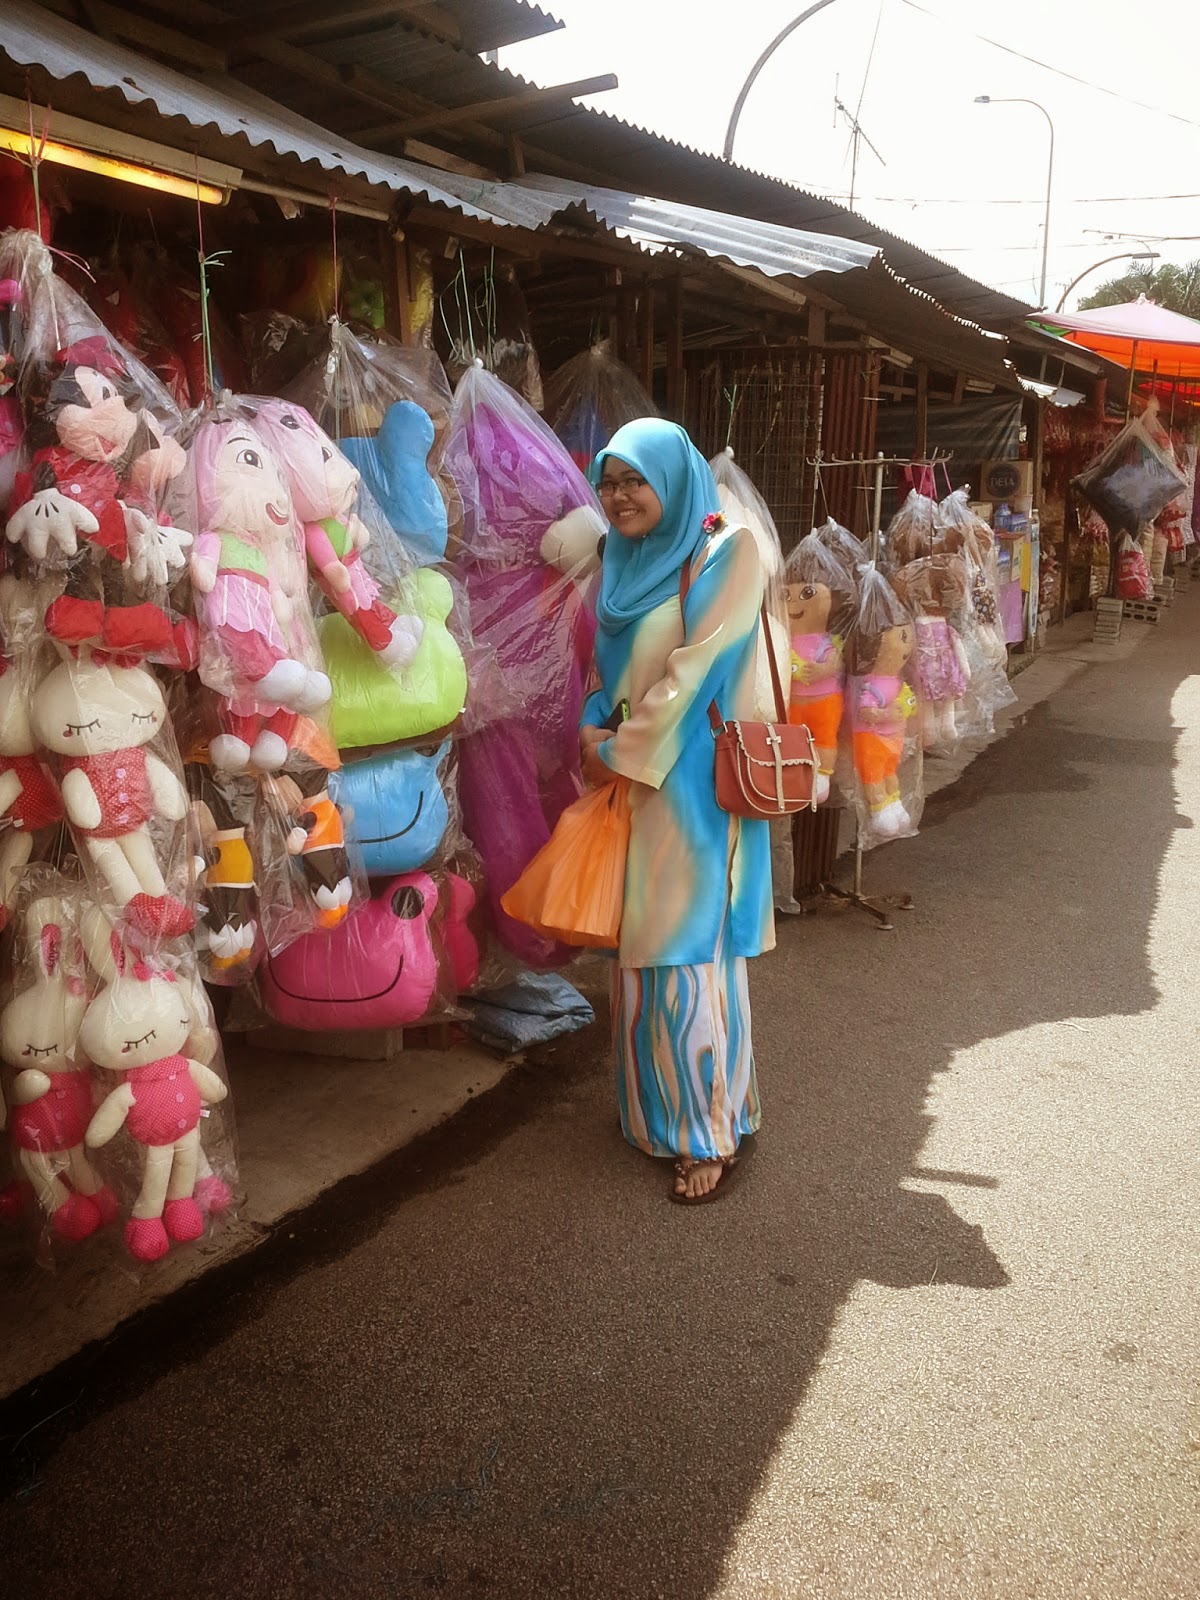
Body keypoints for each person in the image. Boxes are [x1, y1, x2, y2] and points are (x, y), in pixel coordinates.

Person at [579, 419, 774, 1204]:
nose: (620, 496)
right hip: (633, 783)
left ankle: (707, 1136)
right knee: (639, 955)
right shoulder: (622, 561)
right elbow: (606, 674)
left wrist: (616, 749)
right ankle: (658, 1116)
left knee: (690, 956)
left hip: (695, 789)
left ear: (673, 478)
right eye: (609, 482)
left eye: (636, 479)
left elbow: (697, 674)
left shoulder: (729, 551)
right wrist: (592, 725)